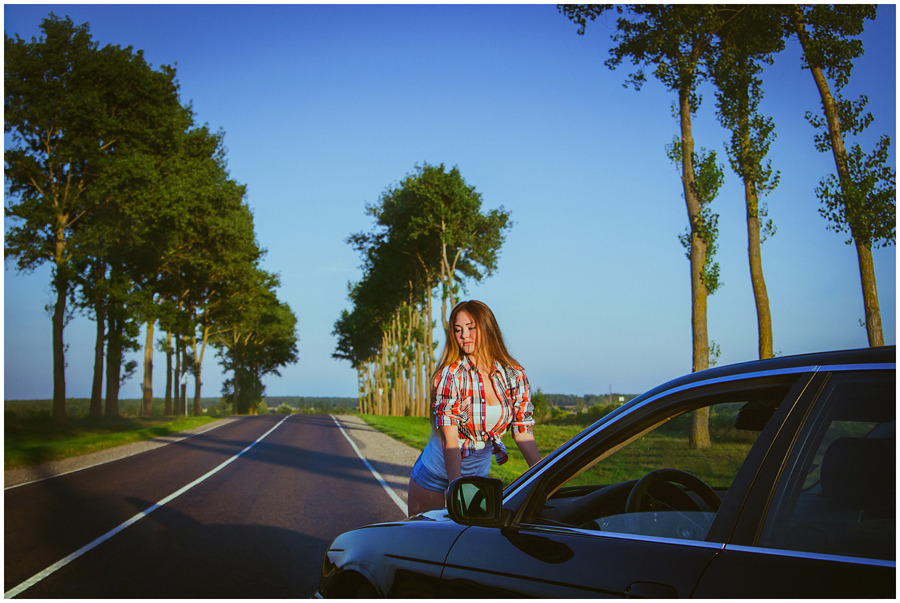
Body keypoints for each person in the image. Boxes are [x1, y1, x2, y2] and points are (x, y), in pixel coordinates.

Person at [407, 300, 541, 516]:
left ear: (487, 328)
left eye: (471, 328)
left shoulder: (514, 375)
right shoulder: (451, 375)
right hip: (436, 475)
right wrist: (457, 488)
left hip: (478, 480)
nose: (463, 336)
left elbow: (523, 432)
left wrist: (543, 478)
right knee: (428, 544)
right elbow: (449, 441)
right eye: (458, 330)